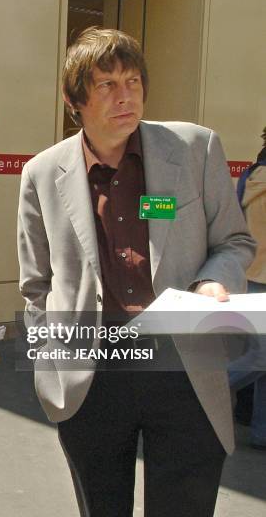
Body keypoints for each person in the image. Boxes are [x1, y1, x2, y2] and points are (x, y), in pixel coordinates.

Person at [17, 27, 255, 516]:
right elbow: (36, 284)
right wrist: (50, 362)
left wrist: (212, 281)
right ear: (73, 98)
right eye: (106, 85)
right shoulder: (42, 173)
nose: (125, 97)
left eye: (133, 82)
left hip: (183, 368)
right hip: (93, 375)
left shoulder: (195, 149)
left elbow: (234, 241)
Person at [229, 125, 266, 450]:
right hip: (261, 281)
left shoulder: (251, 175)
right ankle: (195, 395)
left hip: (250, 276)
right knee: (259, 356)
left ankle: (262, 431)